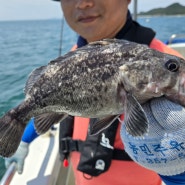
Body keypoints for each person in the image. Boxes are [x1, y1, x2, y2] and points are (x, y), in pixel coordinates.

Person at [5, 0, 185, 185]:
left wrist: (178, 174)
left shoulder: (172, 68)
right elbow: (48, 103)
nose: (83, 4)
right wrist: (25, 138)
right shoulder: (72, 61)